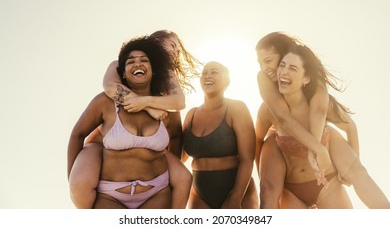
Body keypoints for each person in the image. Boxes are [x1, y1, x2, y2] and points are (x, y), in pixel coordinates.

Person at [68, 30, 201, 208]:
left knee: (184, 178)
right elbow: (109, 87)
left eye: (177, 49)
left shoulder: (166, 79)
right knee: (80, 182)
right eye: (171, 45)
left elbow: (178, 107)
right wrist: (148, 107)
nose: (175, 53)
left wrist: (146, 104)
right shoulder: (119, 67)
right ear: (155, 45)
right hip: (102, 145)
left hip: (153, 185)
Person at [256, 38, 390, 208]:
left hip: (327, 184)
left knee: (359, 173)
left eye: (292, 68)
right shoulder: (269, 109)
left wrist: (348, 169)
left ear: (306, 78)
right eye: (282, 65)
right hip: (291, 188)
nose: (282, 71)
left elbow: (350, 127)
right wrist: (263, 174)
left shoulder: (320, 99)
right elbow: (259, 138)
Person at [182, 61, 259, 209]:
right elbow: (180, 157)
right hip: (199, 194)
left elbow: (247, 159)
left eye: (214, 72)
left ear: (226, 81)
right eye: (204, 73)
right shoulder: (191, 114)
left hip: (238, 192)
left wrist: (236, 198)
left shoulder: (237, 108)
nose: (208, 76)